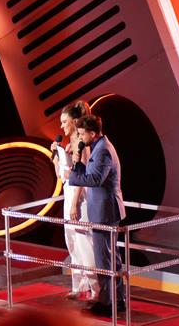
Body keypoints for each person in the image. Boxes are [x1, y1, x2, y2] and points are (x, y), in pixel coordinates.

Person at [69, 114, 127, 317]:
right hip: (104, 209)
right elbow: (93, 174)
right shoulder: (99, 147)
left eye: (82, 134)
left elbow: (95, 179)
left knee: (104, 260)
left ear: (92, 133)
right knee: (111, 258)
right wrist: (79, 164)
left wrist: (74, 172)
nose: (80, 137)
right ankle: (117, 299)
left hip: (105, 212)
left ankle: (107, 303)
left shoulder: (103, 150)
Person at [49, 101, 99, 300]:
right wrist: (56, 157)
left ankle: (96, 288)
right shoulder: (67, 144)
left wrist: (74, 204)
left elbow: (82, 176)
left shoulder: (82, 144)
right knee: (72, 242)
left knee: (84, 242)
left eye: (65, 122)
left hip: (81, 197)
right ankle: (79, 285)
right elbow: (61, 176)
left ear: (75, 121)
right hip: (68, 192)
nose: (61, 126)